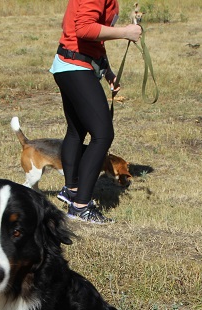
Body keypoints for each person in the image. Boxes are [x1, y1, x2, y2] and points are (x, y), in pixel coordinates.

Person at [50, 0, 142, 224]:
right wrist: (125, 32)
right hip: (75, 66)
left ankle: (71, 191)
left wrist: (106, 68)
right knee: (102, 135)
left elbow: (72, 24)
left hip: (69, 64)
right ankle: (81, 207)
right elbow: (83, 29)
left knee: (76, 131)